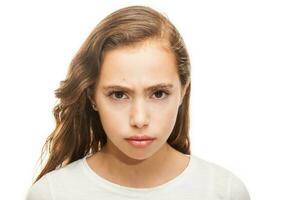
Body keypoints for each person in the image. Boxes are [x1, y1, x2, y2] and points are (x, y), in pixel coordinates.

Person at [25, 5, 250, 200]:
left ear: (183, 91)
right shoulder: (52, 194)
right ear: (93, 97)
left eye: (159, 93)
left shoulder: (224, 192)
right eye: (118, 95)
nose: (140, 119)